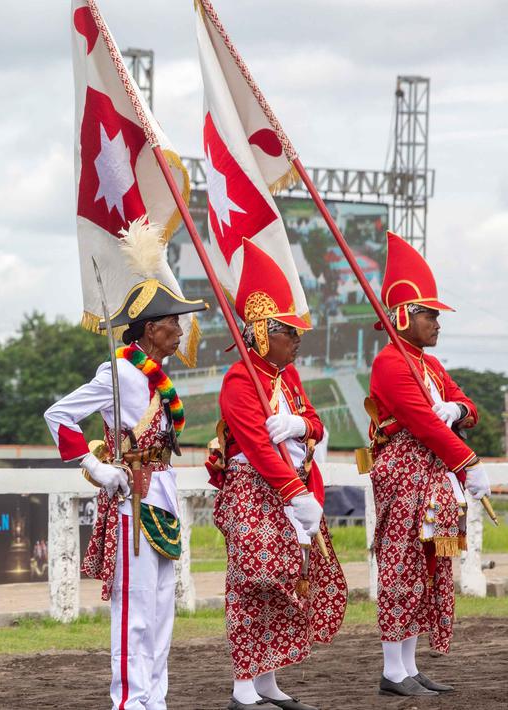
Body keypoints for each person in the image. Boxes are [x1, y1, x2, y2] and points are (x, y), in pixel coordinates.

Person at [44, 219, 207, 710]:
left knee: (160, 610)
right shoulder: (118, 371)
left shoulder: (157, 377)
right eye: (173, 322)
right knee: (134, 610)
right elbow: (59, 415)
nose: (180, 330)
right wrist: (96, 467)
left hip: (162, 492)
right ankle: (129, 702)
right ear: (152, 329)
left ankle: (155, 698)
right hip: (130, 498)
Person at [208, 239, 346, 710]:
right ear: (264, 332)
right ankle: (243, 687)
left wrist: (298, 423)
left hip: (292, 491)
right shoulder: (238, 380)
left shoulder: (289, 379)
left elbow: (317, 423)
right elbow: (256, 447)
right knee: (254, 581)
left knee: (289, 582)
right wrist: (292, 492)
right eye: (290, 331)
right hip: (254, 492)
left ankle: (267, 681)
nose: (298, 339)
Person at [365, 232, 486, 697]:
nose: (437, 322)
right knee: (403, 565)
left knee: (434, 564)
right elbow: (420, 422)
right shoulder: (391, 363)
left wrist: (459, 412)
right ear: (403, 315)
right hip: (408, 473)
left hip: (437, 478)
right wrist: (468, 460)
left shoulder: (430, 366)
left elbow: (465, 407)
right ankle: (393, 670)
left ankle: (411, 666)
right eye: (429, 313)